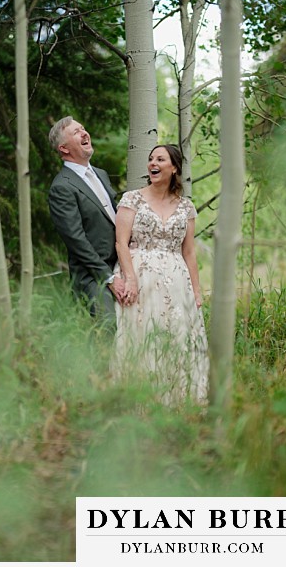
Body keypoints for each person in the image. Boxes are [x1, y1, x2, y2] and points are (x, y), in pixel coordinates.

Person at [112, 144, 209, 405]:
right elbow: (121, 243)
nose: (152, 163)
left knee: (176, 337)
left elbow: (189, 252)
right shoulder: (132, 199)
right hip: (140, 276)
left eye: (160, 159)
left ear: (174, 168)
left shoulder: (186, 207)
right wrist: (130, 278)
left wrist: (196, 291)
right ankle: (140, 402)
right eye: (150, 158)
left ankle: (177, 401)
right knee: (142, 336)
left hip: (177, 282)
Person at [47, 116, 126, 322]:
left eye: (83, 128)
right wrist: (108, 278)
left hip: (122, 264)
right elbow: (76, 239)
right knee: (108, 326)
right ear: (64, 149)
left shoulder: (101, 174)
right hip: (92, 274)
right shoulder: (61, 187)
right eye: (76, 132)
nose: (84, 133)